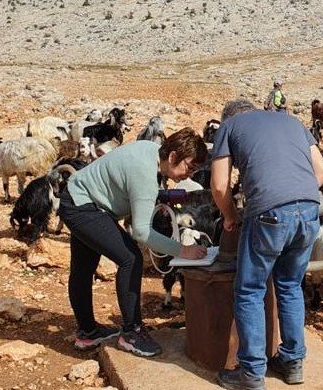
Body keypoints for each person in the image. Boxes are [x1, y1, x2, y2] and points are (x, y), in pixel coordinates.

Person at [210, 99, 323, 390]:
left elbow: (219, 185)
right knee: (289, 286)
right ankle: (292, 363)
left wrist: (230, 216)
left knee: (250, 289)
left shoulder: (229, 126)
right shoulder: (292, 121)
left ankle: (251, 374)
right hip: (310, 210)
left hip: (268, 213)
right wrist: (294, 196)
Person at [58, 128, 209, 357]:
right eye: (189, 167)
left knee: (83, 268)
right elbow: (141, 232)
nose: (188, 176)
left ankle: (87, 333)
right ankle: (131, 332)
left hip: (78, 196)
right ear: (172, 156)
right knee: (130, 258)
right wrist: (182, 250)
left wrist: (160, 195)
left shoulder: (151, 151)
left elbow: (132, 186)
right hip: (85, 206)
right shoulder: (144, 171)